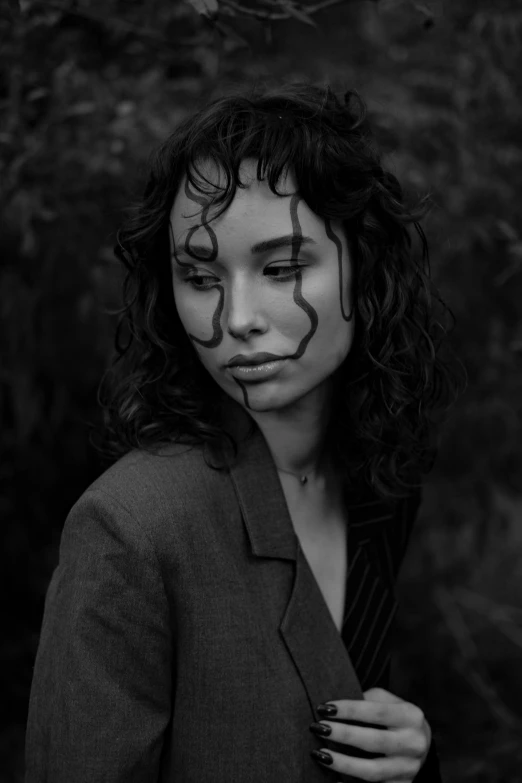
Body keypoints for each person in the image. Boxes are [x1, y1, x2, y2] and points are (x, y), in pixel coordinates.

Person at [25, 80, 462, 782]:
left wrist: (412, 755)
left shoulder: (378, 482)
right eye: (200, 275)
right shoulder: (130, 527)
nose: (235, 319)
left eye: (282, 267)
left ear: (366, 263)